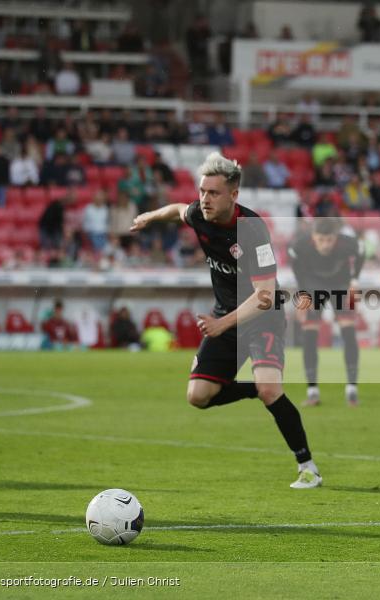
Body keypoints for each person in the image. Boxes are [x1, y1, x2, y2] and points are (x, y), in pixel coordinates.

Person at [130, 152, 322, 489]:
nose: (204, 199)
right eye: (202, 191)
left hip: (264, 318)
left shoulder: (253, 230)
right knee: (198, 396)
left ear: (233, 195)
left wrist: (222, 324)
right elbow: (177, 210)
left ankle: (308, 467)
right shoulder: (198, 214)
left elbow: (264, 295)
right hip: (226, 318)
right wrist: (151, 216)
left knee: (270, 390)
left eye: (213, 193)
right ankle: (250, 390)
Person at [288, 216, 365, 407]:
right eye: (321, 240)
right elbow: (296, 267)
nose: (325, 244)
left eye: (329, 240)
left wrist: (354, 281)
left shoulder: (348, 244)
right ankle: (312, 391)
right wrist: (303, 293)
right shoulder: (300, 245)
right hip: (313, 285)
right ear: (313, 237)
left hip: (341, 284)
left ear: (336, 237)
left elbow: (361, 252)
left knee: (348, 332)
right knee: (309, 334)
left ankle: (351, 389)